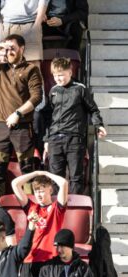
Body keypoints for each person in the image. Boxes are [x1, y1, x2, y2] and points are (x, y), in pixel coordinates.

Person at [0, 35, 43, 183]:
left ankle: (29, 205)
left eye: (12, 48)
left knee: (27, 171)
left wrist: (18, 113)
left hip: (23, 127)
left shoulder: (31, 69)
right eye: (6, 48)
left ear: (21, 49)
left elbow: (37, 97)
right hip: (0, 127)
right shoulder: (0, 68)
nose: (8, 52)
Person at [12, 170, 69, 277]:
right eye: (36, 190)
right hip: (29, 261)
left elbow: (64, 183)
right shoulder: (32, 207)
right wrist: (35, 173)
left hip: (49, 261)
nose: (39, 193)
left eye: (42, 189)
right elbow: (15, 184)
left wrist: (46, 173)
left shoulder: (56, 208)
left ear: (51, 190)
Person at [44, 57, 106, 196]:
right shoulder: (53, 90)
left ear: (70, 72)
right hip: (55, 139)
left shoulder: (80, 89)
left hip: (74, 139)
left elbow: (93, 109)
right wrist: (46, 139)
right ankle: (58, 210)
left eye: (61, 74)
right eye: (55, 75)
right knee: (55, 178)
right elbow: (48, 117)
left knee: (76, 178)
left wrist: (99, 125)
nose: (58, 78)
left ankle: (73, 208)